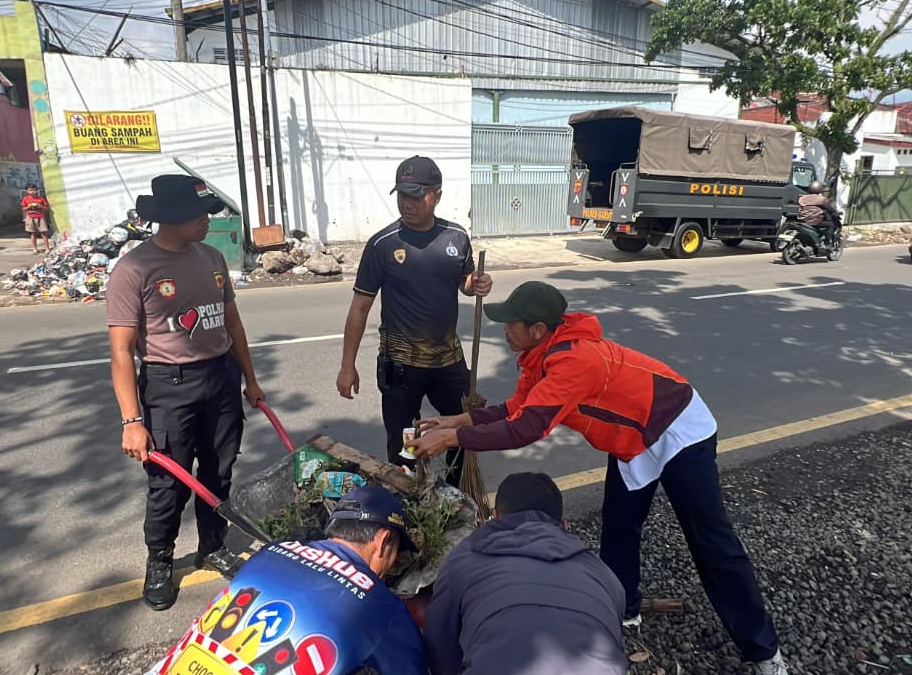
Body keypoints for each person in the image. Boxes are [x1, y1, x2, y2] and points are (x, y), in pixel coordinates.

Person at [412, 281, 790, 675]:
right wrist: (461, 420)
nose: (505, 329)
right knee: (619, 525)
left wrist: (453, 438)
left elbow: (527, 428)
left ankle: (764, 651)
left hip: (679, 428)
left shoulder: (575, 362)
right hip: (632, 439)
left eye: (512, 323)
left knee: (711, 540)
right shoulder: (539, 356)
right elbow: (519, 408)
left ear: (538, 329)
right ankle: (622, 611)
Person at [106, 174, 265, 612]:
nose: (208, 222)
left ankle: (211, 546)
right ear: (172, 218)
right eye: (200, 215)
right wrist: (132, 421)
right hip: (168, 386)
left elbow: (232, 325)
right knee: (169, 485)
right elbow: (121, 351)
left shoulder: (212, 257)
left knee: (219, 472)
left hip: (221, 379)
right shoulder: (134, 270)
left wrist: (249, 380)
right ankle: (159, 561)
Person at [146, 486, 427, 675]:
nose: (390, 568)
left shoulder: (273, 551)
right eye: (395, 555)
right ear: (383, 540)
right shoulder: (380, 606)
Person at [336, 155, 493, 481]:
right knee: (405, 444)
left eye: (416, 195)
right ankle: (410, 501)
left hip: (448, 362)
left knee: (463, 429)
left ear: (436, 194)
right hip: (401, 366)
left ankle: (455, 497)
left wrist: (475, 283)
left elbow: (464, 283)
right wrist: (347, 364)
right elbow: (360, 307)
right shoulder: (382, 244)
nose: (407, 203)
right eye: (402, 195)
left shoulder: (456, 237)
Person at [424, 472, 626, 675]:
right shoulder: (602, 574)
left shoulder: (463, 560)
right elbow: (614, 638)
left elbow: (440, 646)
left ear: (495, 516)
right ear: (564, 525)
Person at [21, 185, 52, 254]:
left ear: (36, 190)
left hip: (40, 217)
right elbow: (24, 208)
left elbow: (46, 208)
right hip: (30, 217)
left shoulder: (41, 198)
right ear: (27, 191)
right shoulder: (25, 199)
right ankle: (35, 248)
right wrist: (29, 206)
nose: (32, 192)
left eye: (34, 190)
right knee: (33, 233)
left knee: (44, 233)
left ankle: (47, 248)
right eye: (30, 190)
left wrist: (40, 206)